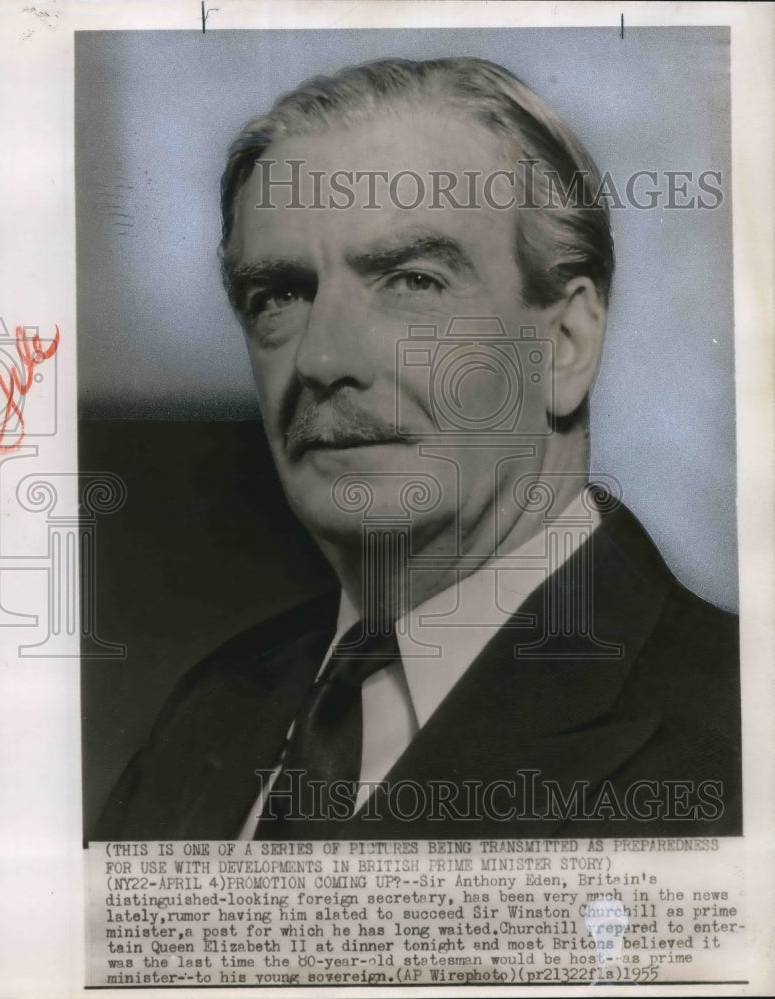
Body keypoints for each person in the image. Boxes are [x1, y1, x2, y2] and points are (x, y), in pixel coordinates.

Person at [94, 57, 740, 840]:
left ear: (565, 343)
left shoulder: (735, 733)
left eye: (413, 281)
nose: (323, 360)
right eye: (281, 295)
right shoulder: (212, 713)